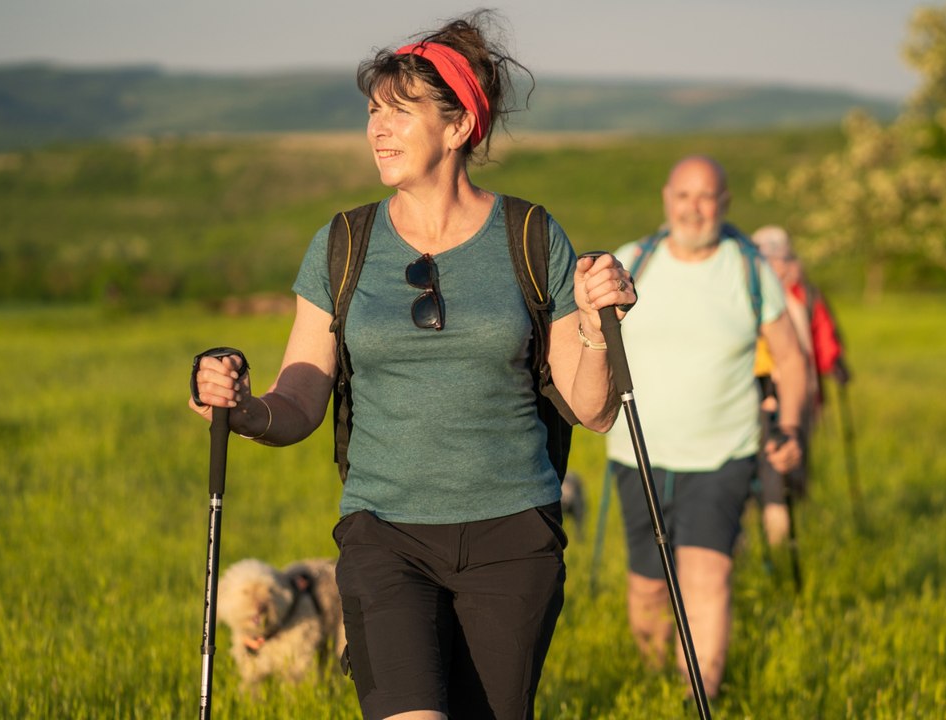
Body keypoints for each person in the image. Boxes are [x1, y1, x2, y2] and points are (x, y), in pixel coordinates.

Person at [189, 11, 637, 720]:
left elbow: (594, 408)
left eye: (400, 112)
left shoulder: (530, 234)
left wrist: (592, 322)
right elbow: (301, 395)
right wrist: (242, 411)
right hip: (383, 532)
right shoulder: (343, 242)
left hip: (513, 534)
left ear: (459, 127)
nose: (378, 129)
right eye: (373, 112)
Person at [605, 155, 808, 699]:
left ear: (725, 204)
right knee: (649, 589)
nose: (695, 209)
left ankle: (700, 700)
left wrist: (788, 430)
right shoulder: (631, 263)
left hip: (724, 455)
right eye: (684, 196)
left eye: (707, 197)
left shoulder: (749, 269)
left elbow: (790, 362)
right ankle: (655, 689)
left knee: (708, 578)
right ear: (667, 198)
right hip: (639, 455)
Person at [751, 224, 850, 547]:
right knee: (761, 465)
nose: (775, 266)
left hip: (802, 394)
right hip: (757, 395)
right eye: (766, 259)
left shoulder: (804, 295)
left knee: (795, 458)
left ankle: (788, 521)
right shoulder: (749, 295)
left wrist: (834, 364)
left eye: (780, 258)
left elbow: (823, 337)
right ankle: (764, 523)